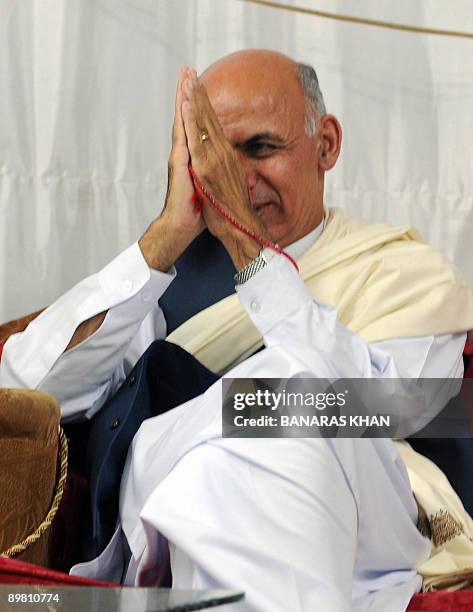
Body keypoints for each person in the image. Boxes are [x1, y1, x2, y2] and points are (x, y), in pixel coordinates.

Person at [1, 50, 473, 611]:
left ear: (325, 145)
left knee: (282, 397)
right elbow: (27, 389)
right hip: (180, 523)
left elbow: (380, 411)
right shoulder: (168, 279)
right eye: (216, 154)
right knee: (237, 436)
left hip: (364, 527)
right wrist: (162, 241)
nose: (236, 180)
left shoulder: (402, 273)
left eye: (260, 148)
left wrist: (251, 255)